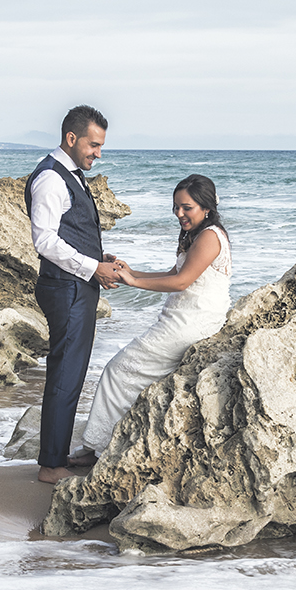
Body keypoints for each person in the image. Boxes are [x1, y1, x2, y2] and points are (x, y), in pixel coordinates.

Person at [73, 173, 231, 463]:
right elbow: (173, 273)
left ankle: (98, 450)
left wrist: (133, 282)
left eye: (187, 207)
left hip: (191, 323)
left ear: (206, 207)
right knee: (122, 374)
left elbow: (182, 282)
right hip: (181, 318)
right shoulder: (198, 234)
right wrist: (129, 274)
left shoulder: (210, 237)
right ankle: (106, 447)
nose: (179, 214)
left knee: (117, 370)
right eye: (176, 207)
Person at [25, 105, 128, 484]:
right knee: (65, 374)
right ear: (72, 138)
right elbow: (45, 240)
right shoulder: (52, 179)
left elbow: (67, 233)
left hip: (73, 283)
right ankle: (52, 466)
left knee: (70, 372)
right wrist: (92, 268)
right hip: (66, 288)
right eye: (93, 145)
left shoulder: (70, 174)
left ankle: (56, 455)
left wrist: (97, 257)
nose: (98, 153)